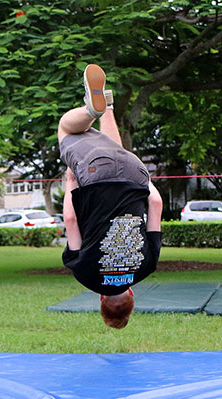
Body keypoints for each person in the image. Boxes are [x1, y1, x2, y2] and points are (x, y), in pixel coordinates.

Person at [58, 64, 163, 329]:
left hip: (135, 173)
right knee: (66, 130)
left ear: (132, 295)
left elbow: (156, 203)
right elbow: (70, 220)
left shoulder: (146, 268)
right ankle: (92, 110)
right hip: (95, 179)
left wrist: (144, 180)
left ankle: (107, 105)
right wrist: (71, 183)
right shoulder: (86, 276)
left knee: (115, 150)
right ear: (101, 299)